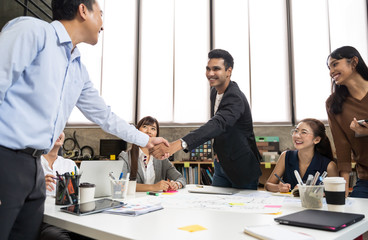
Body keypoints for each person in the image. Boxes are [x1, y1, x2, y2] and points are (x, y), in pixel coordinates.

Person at [0, 1, 168, 239]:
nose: (102, 23)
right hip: (5, 158)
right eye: (100, 14)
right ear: (82, 10)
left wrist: (145, 140)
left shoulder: (77, 67)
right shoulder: (33, 31)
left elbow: (105, 116)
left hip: (35, 167)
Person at [151, 49, 262, 189]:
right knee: (215, 206)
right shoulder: (215, 92)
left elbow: (218, 124)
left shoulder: (235, 98)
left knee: (241, 209)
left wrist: (178, 145)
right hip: (221, 165)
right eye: (208, 69)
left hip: (241, 167)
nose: (210, 73)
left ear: (229, 71)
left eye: (216, 69)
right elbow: (221, 130)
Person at [326, 46, 368, 198]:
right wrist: (341, 195)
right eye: (329, 67)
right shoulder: (333, 104)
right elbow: (342, 149)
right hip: (365, 180)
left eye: (335, 64)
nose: (331, 72)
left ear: (354, 62)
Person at [265, 118, 338, 193]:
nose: (297, 135)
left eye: (303, 132)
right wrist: (279, 187)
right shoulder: (285, 156)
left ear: (316, 140)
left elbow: (336, 192)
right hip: (288, 204)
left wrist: (315, 191)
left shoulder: (329, 165)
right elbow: (268, 185)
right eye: (296, 131)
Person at [119, 116, 186, 192]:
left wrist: (177, 184)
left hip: (156, 201)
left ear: (156, 134)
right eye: (145, 127)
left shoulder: (161, 158)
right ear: (137, 131)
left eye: (153, 128)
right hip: (134, 201)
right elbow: (121, 184)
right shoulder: (125, 157)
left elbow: (180, 178)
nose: (149, 131)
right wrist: (153, 187)